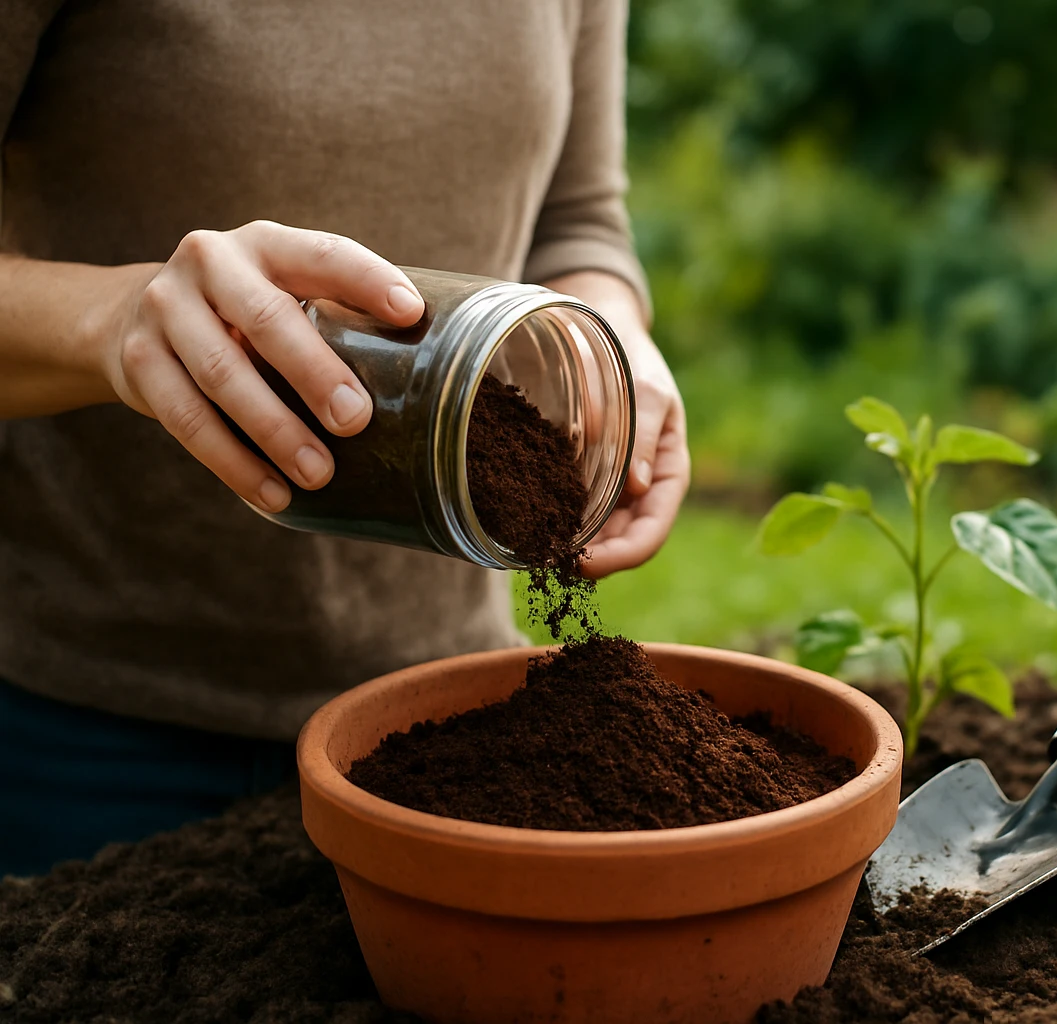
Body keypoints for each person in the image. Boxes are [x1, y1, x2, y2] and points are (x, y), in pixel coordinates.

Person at [0, 0, 689, 877]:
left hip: (448, 724)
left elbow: (576, 219)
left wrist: (618, 331)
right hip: (84, 741)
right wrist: (114, 320)